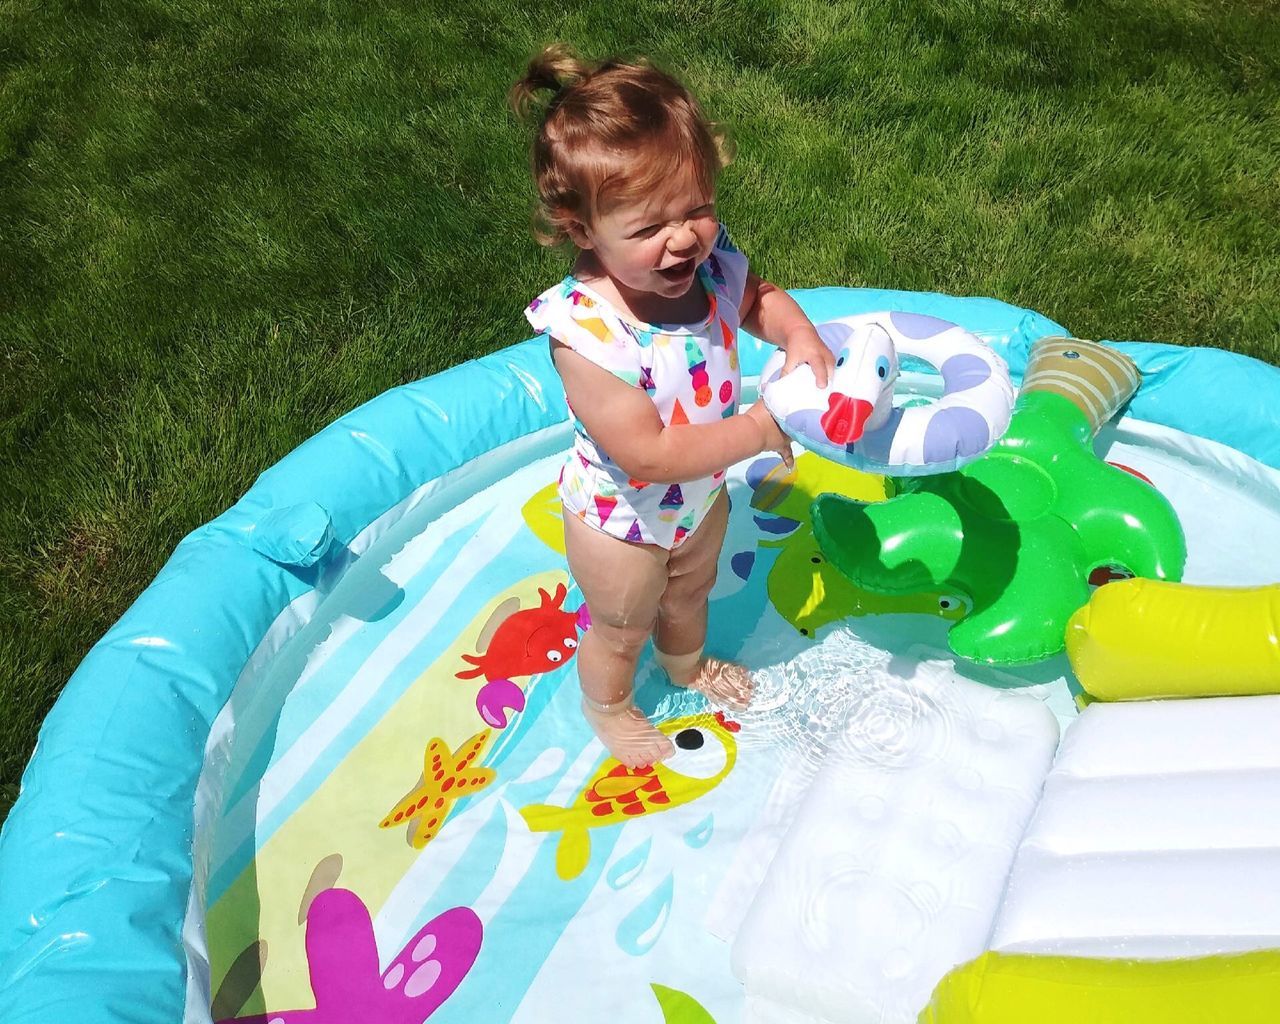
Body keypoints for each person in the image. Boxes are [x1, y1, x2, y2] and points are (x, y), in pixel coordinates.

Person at [512, 44, 835, 767]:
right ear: (580, 230)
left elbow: (756, 301)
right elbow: (646, 454)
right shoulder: (588, 333)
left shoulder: (709, 269)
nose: (684, 237)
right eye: (651, 227)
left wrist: (797, 334)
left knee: (692, 596)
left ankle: (687, 667)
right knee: (621, 627)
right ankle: (610, 704)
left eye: (699, 209)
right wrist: (758, 427)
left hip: (701, 496)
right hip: (620, 519)